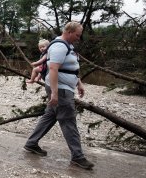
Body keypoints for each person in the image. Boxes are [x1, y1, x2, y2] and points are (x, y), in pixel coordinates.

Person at [23, 22, 94, 170]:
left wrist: (78, 83)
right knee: (68, 121)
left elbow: (71, 67)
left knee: (50, 115)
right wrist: (55, 93)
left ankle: (31, 143)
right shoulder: (59, 46)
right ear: (69, 31)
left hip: (64, 87)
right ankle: (78, 157)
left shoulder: (67, 46)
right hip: (60, 90)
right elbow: (53, 69)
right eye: (77, 35)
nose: (78, 38)